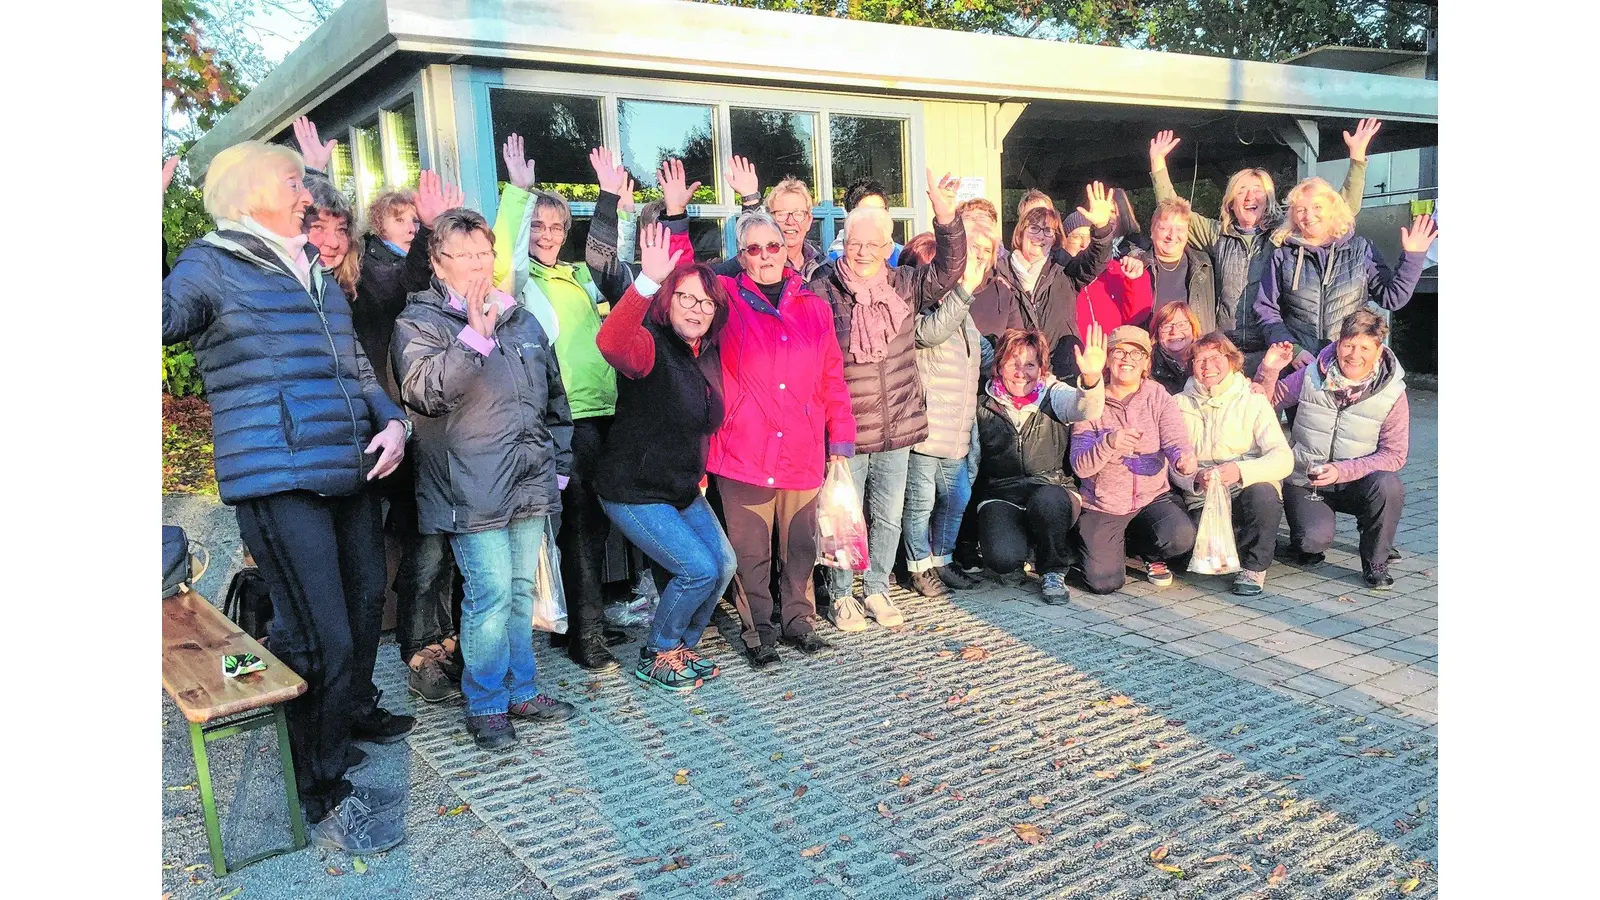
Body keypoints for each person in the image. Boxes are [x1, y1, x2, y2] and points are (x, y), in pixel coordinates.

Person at [164, 141, 411, 853]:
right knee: (318, 634)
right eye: (292, 182)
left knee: (365, 615)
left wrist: (392, 422)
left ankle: (332, 740)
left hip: (350, 469)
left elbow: (358, 369)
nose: (307, 195)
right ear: (247, 194)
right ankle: (316, 785)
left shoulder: (316, 271)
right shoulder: (211, 264)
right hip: (278, 477)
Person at [391, 207, 579, 750]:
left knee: (522, 590)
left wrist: (559, 469)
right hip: (468, 490)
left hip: (528, 483)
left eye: (483, 255)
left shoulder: (521, 318)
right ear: (437, 262)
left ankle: (522, 689)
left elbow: (555, 402)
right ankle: (487, 702)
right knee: (490, 594)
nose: (475, 266)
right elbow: (424, 391)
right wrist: (473, 339)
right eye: (462, 256)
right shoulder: (420, 323)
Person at [293, 117, 466, 704]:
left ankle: (426, 652)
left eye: (339, 227)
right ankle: (409, 656)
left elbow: (408, 285)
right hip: (337, 440)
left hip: (400, 424)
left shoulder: (367, 278)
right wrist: (313, 174)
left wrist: (434, 230)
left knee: (422, 541)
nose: (332, 239)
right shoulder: (334, 278)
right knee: (382, 558)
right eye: (320, 226)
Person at [693, 207, 856, 668]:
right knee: (751, 552)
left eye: (772, 246)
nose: (765, 255)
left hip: (802, 448)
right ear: (740, 257)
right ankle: (758, 630)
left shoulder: (815, 306)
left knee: (800, 547)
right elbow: (683, 284)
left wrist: (840, 442)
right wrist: (676, 215)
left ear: (787, 249)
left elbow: (832, 380)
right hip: (743, 449)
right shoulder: (724, 299)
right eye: (753, 248)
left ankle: (799, 623)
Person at [809, 169, 966, 631]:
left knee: (888, 516)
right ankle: (841, 595)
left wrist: (945, 217)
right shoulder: (823, 287)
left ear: (886, 247)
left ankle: (876, 588)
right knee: (843, 516)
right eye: (855, 243)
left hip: (897, 423)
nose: (863, 252)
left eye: (873, 245)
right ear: (845, 242)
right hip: (847, 429)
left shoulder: (904, 283)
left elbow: (950, 269)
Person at [492, 133, 621, 673]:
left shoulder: (579, 275)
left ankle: (582, 615)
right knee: (578, 526)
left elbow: (613, 272)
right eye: (538, 226)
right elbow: (504, 261)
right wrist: (518, 197)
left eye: (556, 227)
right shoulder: (520, 283)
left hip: (605, 412)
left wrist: (612, 202)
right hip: (561, 422)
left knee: (595, 523)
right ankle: (585, 634)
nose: (548, 236)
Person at [594, 224, 737, 690]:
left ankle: (679, 647)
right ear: (667, 300)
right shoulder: (650, 344)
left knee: (723, 566)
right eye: (686, 298)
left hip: (678, 489)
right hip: (634, 489)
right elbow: (611, 342)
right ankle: (657, 652)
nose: (696, 308)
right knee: (697, 570)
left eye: (706, 302)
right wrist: (646, 282)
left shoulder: (699, 352)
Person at [1149, 120, 1378, 369]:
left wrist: (1357, 159)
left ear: (1267, 199)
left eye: (1257, 190)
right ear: (1231, 202)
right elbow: (1175, 214)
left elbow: (1340, 209)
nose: (1249, 197)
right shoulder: (1217, 234)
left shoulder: (1284, 233)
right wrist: (1158, 165)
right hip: (1226, 348)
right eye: (1242, 191)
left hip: (1273, 347)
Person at [1254, 311, 1409, 589]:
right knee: (1311, 542)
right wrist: (1270, 370)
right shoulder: (1311, 375)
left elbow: (1395, 454)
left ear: (1379, 350)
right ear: (1338, 344)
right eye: (1348, 345)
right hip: (1307, 479)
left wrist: (1341, 471)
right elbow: (1263, 406)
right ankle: (1308, 535)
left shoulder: (1393, 392)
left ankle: (1376, 558)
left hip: (1357, 480)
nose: (1354, 354)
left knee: (1388, 485)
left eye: (1365, 348)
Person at [973, 327, 1108, 601]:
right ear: (999, 365)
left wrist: (1092, 380)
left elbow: (1086, 409)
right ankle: (1027, 547)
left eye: (1030, 364)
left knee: (1047, 502)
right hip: (1002, 493)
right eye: (1013, 363)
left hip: (1052, 488)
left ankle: (1053, 570)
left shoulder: (1054, 395)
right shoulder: (982, 404)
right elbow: (970, 464)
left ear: (1042, 368)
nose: (1021, 372)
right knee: (1002, 559)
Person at [1070, 325, 1198, 593]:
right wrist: (1109, 443)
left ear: (1146, 363)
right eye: (1119, 352)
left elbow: (1175, 440)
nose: (1127, 358)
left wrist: (1182, 458)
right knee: (1103, 583)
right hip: (1104, 504)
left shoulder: (1157, 395)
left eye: (1136, 353)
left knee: (1181, 537)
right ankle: (1099, 545)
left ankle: (1145, 551)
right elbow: (1080, 466)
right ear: (1107, 360)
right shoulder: (1091, 400)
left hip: (1151, 498)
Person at [1255, 178, 1436, 360]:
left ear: (1333, 209)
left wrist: (1413, 257)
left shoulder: (1361, 249)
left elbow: (1392, 298)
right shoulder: (1283, 256)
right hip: (1299, 368)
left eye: (1317, 207)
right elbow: (1266, 309)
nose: (1309, 216)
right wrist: (1292, 350)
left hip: (1349, 364)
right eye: (1301, 210)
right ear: (1293, 216)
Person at [1174, 332, 1293, 595]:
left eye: (1215, 358)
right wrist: (1194, 477)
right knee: (1182, 549)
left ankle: (1253, 567)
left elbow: (1283, 458)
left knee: (1263, 494)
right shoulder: (1178, 404)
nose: (1207, 366)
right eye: (1199, 359)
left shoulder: (1253, 399)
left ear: (1232, 361)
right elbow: (1168, 460)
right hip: (1202, 496)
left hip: (1244, 488)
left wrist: (1240, 470)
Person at [899, 232, 984, 597]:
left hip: (956, 431)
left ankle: (942, 560)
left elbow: (977, 356)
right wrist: (963, 294)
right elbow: (930, 335)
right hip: (924, 430)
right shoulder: (912, 311)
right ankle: (918, 567)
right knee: (920, 503)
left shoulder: (960, 312)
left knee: (957, 498)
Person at [998, 184, 1117, 379]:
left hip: (1063, 370)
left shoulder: (1064, 267)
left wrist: (1102, 228)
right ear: (1020, 232)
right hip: (1018, 374)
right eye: (1034, 228)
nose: (1040, 236)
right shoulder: (1001, 272)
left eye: (1048, 231)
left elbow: (1096, 260)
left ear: (1055, 238)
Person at [719, 157, 825, 280]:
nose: (790, 221)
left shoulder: (826, 267)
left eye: (798, 214)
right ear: (770, 220)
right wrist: (750, 198)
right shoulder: (753, 262)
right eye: (781, 214)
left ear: (809, 221)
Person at [1063, 205, 1152, 335]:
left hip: (1115, 351)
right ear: (1064, 242)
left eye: (1089, 236)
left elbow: (1137, 317)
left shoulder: (1116, 270)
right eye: (1076, 237)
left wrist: (1134, 281)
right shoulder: (1058, 277)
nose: (1084, 243)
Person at [1143, 197, 1220, 335]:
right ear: (1152, 230)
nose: (1172, 236)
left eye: (1179, 229)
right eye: (1164, 228)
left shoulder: (1206, 265)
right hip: (1151, 352)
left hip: (1196, 352)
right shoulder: (1138, 267)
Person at [826, 177, 904, 265]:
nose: (875, 219)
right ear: (850, 215)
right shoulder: (833, 261)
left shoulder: (903, 256)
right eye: (866, 212)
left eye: (880, 211)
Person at [1148, 302, 1204, 395]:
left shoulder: (1209, 360)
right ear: (1157, 333)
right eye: (1167, 326)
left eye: (1182, 324)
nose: (1174, 331)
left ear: (1193, 327)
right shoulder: (1147, 367)